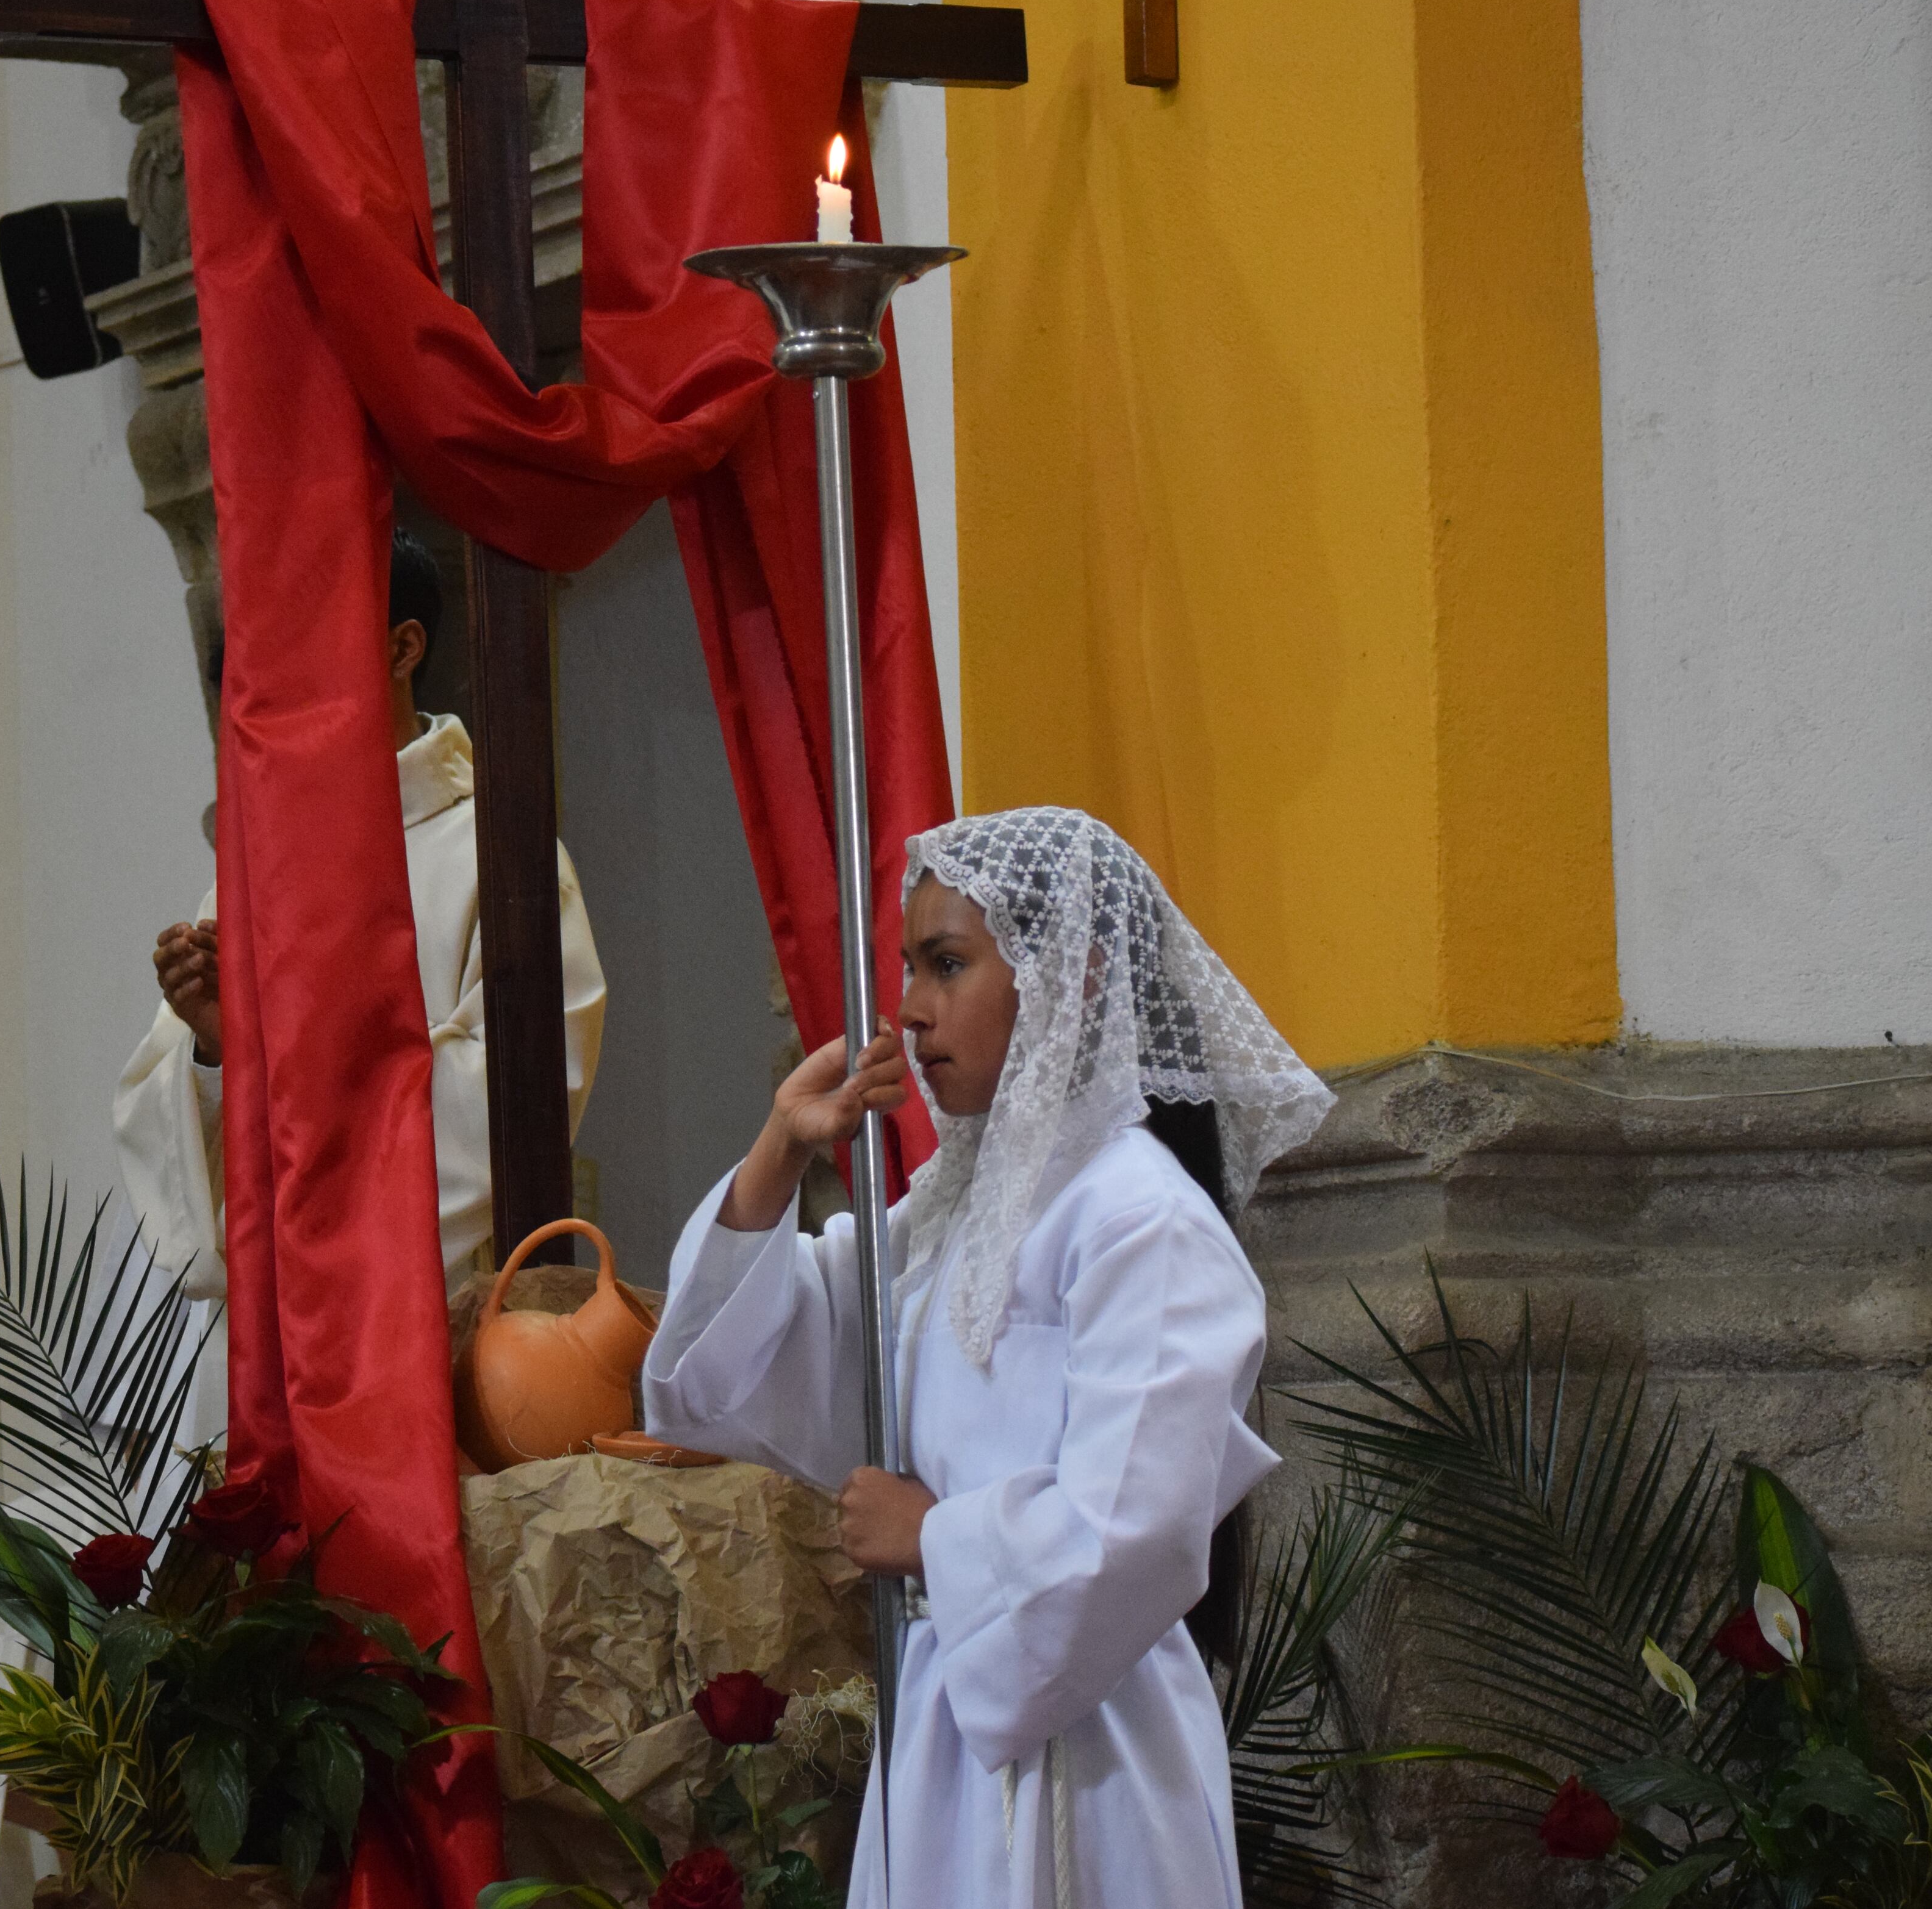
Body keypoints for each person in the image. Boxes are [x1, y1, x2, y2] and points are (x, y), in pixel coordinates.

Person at [641, 807, 1333, 1909]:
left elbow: (1139, 1525)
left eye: (948, 963)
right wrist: (781, 1150)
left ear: (1071, 975)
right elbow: (726, 1374)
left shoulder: (1141, 1219)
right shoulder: (951, 1214)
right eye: (910, 965)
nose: (910, 1008)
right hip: (953, 1725)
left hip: (1089, 1751)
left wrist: (935, 1533)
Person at [113, 530, 606, 1300]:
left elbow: (515, 1108)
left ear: (402, 647)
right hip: (270, 1327)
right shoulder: (256, 873)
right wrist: (216, 1047)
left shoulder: (502, 858)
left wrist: (310, 1071)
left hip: (426, 1309)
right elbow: (172, 1155)